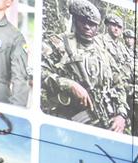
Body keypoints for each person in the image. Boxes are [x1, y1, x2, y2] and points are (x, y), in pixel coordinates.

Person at [41, 0, 129, 133]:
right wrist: (69, 84)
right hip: (68, 119)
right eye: (83, 21)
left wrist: (121, 115)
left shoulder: (103, 52)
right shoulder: (59, 43)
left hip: (106, 119)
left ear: (98, 27)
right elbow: (36, 71)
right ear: (75, 20)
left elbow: (119, 84)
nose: (87, 27)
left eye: (92, 24)